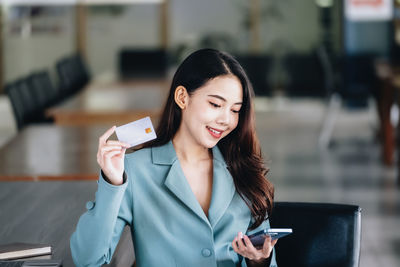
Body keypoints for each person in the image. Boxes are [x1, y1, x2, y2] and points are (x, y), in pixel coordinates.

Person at [70, 48, 277, 267]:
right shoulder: (136, 170)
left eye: (235, 110)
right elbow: (87, 259)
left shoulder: (242, 169)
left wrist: (259, 260)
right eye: (215, 105)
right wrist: (112, 183)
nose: (226, 119)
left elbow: (266, 260)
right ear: (182, 97)